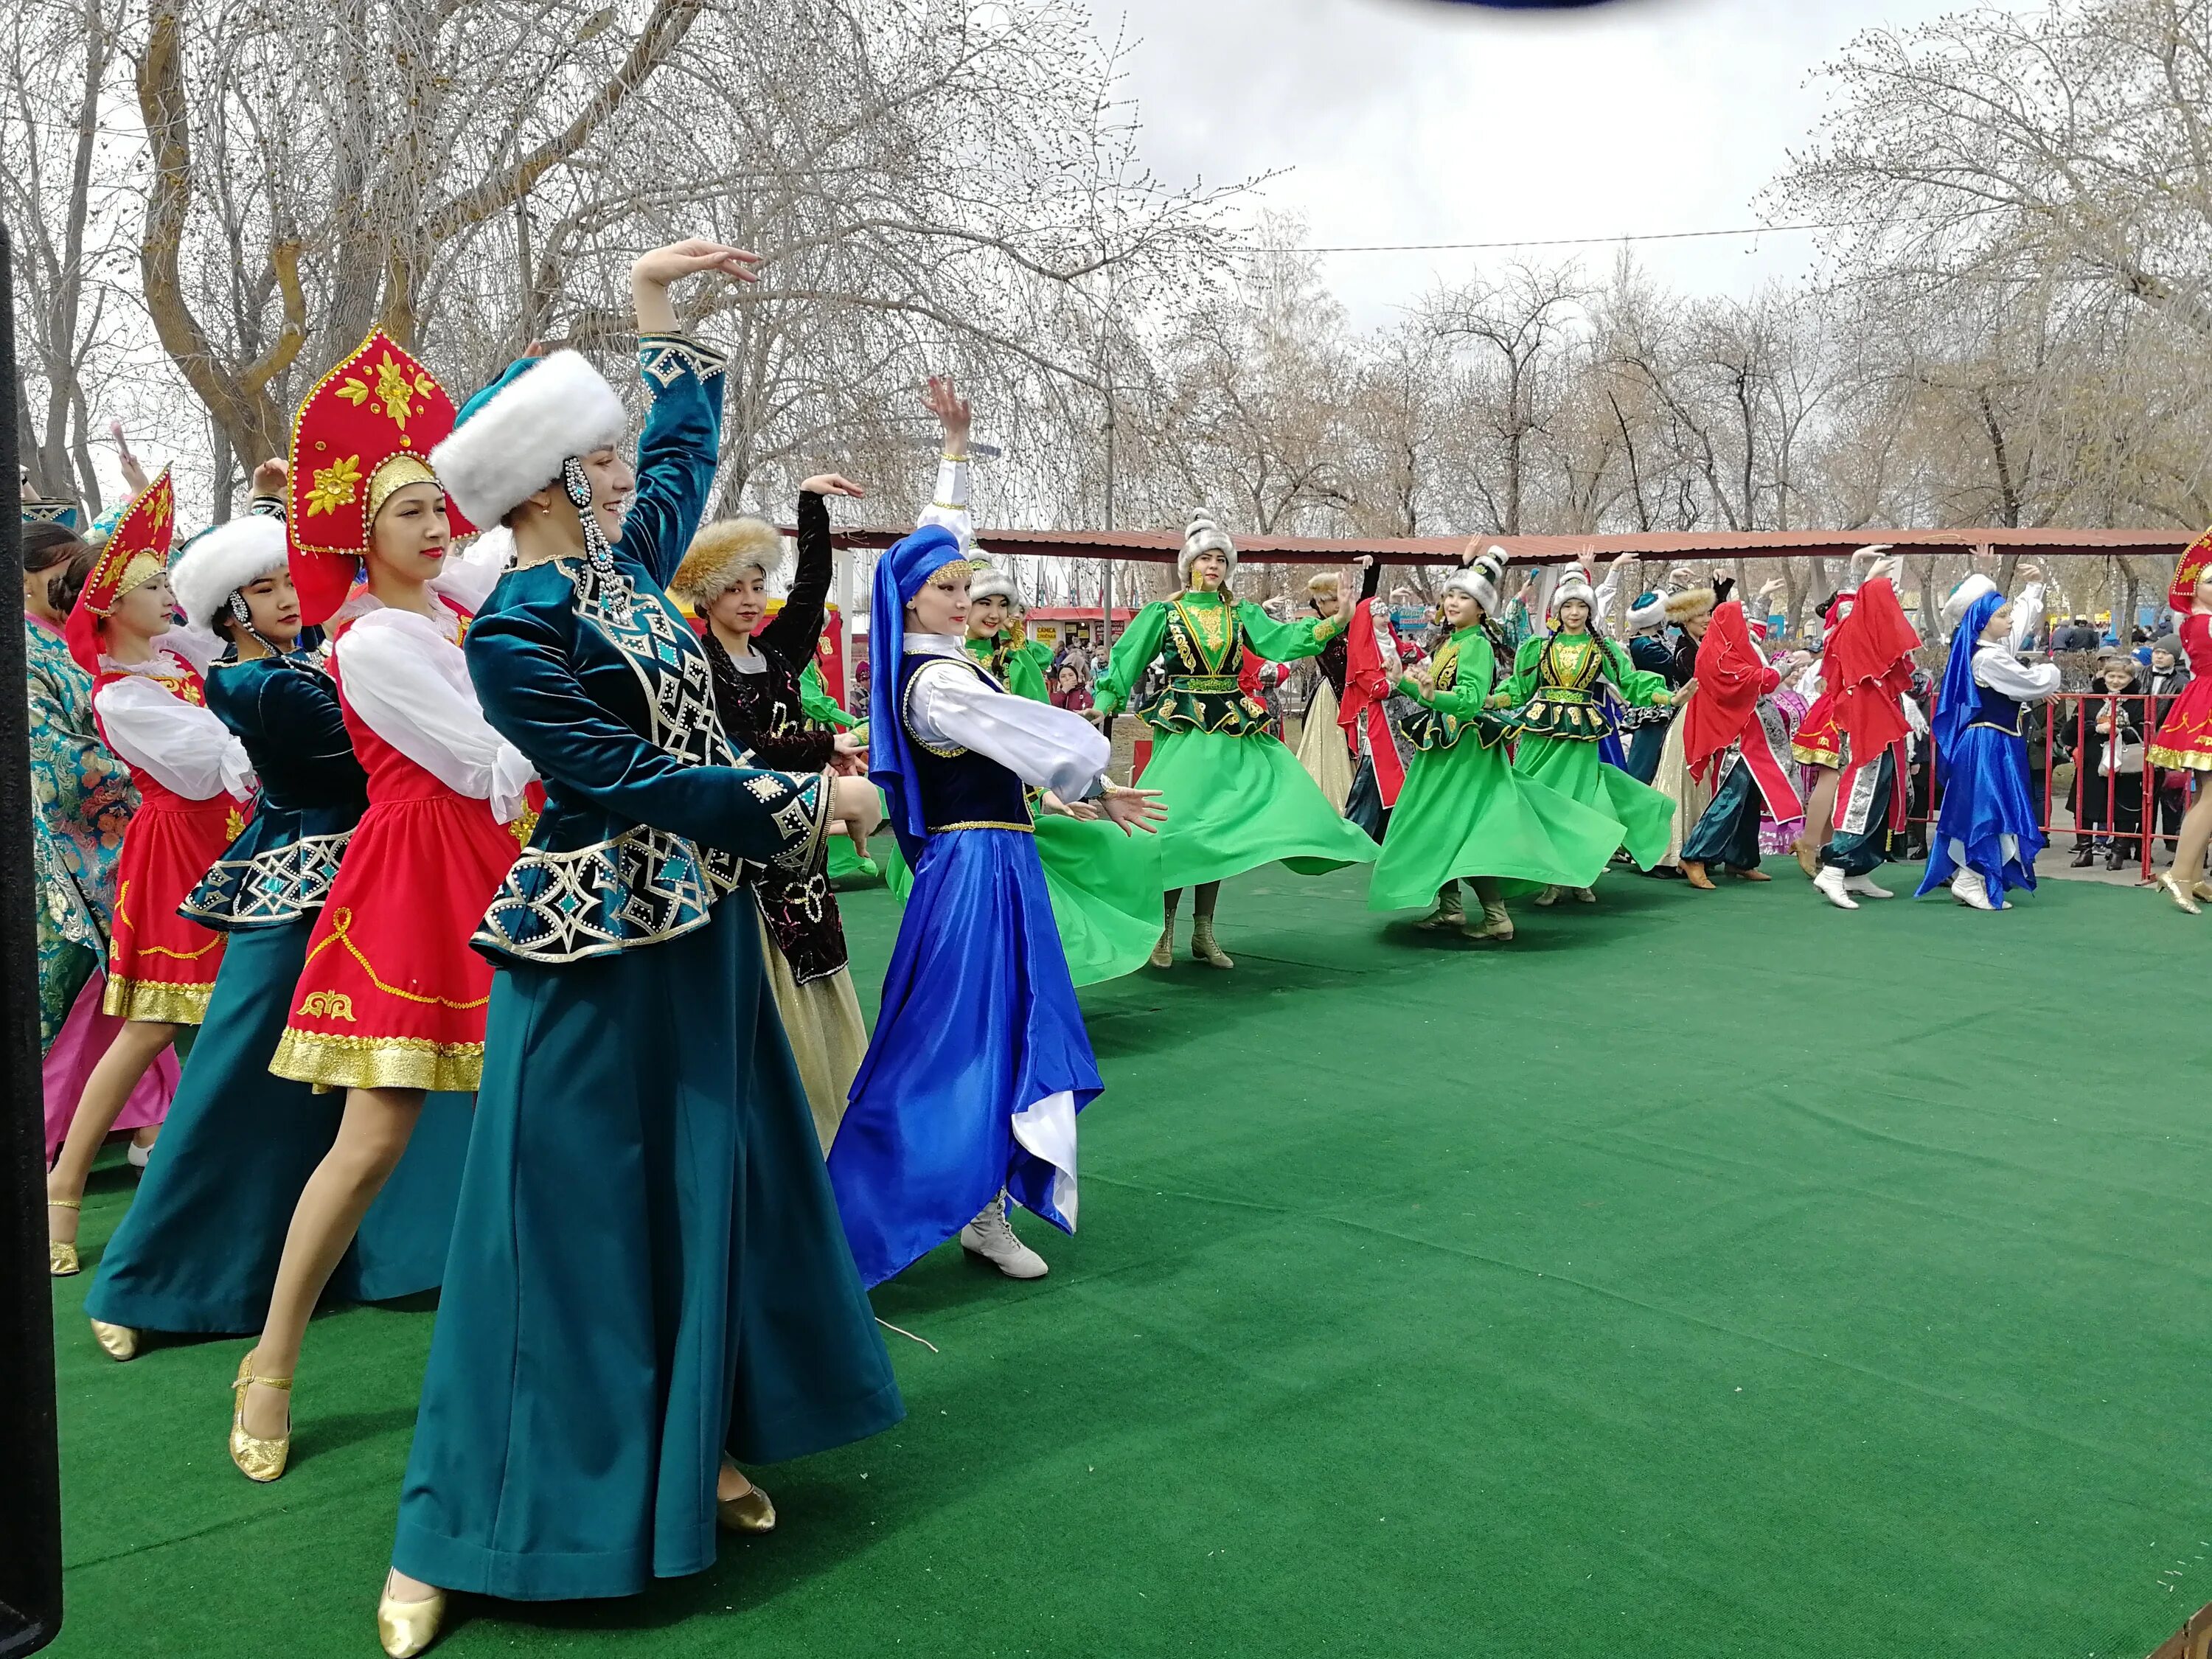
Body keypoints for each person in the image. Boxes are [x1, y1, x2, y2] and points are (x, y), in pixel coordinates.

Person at [380, 241, 901, 1655]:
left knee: (709, 1187)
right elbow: (617, 774)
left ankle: (704, 1442)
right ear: (550, 481)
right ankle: (461, 1521)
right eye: (597, 459)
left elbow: (686, 438)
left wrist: (654, 307)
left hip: (702, 934)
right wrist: (809, 796)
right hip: (589, 949)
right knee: (558, 1224)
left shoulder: (625, 572)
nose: (625, 472)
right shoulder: (515, 634)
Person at [229, 331, 528, 1486]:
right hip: (416, 882)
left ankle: (547, 1363)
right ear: (362, 534)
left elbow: (509, 550)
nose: (431, 525)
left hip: (495, 866)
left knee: (532, 1130)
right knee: (371, 1141)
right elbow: (479, 762)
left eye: (433, 508)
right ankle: (271, 1359)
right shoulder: (367, 642)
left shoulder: (448, 616)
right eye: (405, 512)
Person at [83, 493, 467, 1357]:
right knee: (235, 1076)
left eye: (290, 581)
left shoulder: (326, 659)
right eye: (262, 589)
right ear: (230, 611)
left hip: (370, 879)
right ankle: (153, 1278)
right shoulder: (249, 684)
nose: (287, 598)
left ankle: (380, 1255)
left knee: (387, 1077)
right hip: (293, 893)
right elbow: (365, 754)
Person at [829, 518, 1163, 1292]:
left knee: (1004, 1030)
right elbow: (1044, 740)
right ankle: (862, 1222)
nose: (961, 596)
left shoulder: (950, 667)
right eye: (943, 589)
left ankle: (985, 1207)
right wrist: (1096, 774)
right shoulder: (939, 683)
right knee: (956, 1043)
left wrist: (953, 456)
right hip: (976, 869)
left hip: (999, 862)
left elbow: (945, 539)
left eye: (963, 585)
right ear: (908, 603)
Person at [45, 472, 254, 1277]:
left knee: (250, 1011)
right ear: (108, 608)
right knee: (154, 1025)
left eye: (166, 579)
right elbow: (211, 768)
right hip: (180, 855)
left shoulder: (180, 656)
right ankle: (63, 1188)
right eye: (150, 584)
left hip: (235, 841)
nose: (168, 593)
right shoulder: (121, 698)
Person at [672, 483, 874, 1153]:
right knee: (766, 975)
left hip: (804, 839)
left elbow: (814, 582)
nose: (750, 599)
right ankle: (776, 1138)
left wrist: (811, 505)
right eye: (734, 588)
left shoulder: (781, 652)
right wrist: (826, 744)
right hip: (744, 845)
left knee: (819, 958)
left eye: (758, 584)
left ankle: (835, 1128)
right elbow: (744, 745)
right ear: (706, 598)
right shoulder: (699, 667)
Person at [1093, 514, 1377, 967]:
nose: (1213, 565)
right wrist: (1104, 701)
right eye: (1205, 557)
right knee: (1176, 826)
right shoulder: (1165, 613)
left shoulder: (1239, 613)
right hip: (1185, 729)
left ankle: (1204, 932)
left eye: (1221, 559)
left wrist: (1338, 619)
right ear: (1188, 564)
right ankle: (1163, 930)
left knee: (1221, 832)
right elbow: (1126, 658)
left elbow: (1281, 641)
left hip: (1231, 726)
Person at [21, 521, 175, 1162]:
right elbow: (46, 751)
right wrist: (142, 767)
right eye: (57, 566)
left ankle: (147, 1124)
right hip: (62, 847)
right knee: (89, 978)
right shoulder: (24, 648)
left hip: (116, 832)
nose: (69, 578)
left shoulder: (73, 639)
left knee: (137, 979)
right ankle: (58, 1137)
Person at [1367, 552, 1618, 937]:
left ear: (1482, 608)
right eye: (1450, 594)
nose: (1452, 602)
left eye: (1463, 597)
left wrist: (1432, 695)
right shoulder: (1452, 642)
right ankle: (1452, 909)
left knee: (1460, 827)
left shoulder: (1476, 646)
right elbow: (1434, 694)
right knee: (1436, 824)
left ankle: (1496, 915)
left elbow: (1468, 700)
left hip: (1464, 752)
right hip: (1443, 746)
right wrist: (1403, 680)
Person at [1487, 561, 1680, 903]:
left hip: (1579, 734)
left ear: (1589, 611)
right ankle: (1550, 878)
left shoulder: (1600, 648)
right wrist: (1493, 699)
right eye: (1568, 605)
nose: (1574, 612)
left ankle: (1579, 875)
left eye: (1581, 606)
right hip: (1540, 732)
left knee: (1578, 805)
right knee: (1538, 800)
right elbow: (1519, 688)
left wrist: (1668, 696)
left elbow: (1630, 682)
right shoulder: (1538, 647)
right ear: (1557, 610)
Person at [1913, 574, 2063, 910]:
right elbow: (2028, 682)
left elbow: (2019, 629)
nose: (2010, 620)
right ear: (1982, 621)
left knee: (1994, 809)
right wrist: (2048, 673)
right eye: (2001, 615)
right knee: (1988, 810)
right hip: (1988, 744)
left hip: (1994, 742)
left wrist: (2033, 588)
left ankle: (1975, 877)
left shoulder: (1987, 650)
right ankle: (1970, 878)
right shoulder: (1987, 658)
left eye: (2008, 614)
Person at [1807, 556, 1923, 911]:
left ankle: (1857, 869)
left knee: (1880, 795)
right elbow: (1847, 617)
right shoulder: (1855, 634)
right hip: (1863, 723)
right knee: (1861, 794)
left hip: (1882, 719)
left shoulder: (1872, 642)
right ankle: (1834, 867)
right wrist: (1863, 575)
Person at [1677, 588, 1801, 889]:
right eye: (1740, 624)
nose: (1746, 630)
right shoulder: (1717, 656)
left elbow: (1754, 638)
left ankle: (1740, 858)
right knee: (1731, 797)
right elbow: (1758, 678)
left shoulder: (1729, 646)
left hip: (1750, 736)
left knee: (1748, 799)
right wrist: (1786, 666)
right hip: (1735, 739)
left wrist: (1763, 598)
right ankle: (1694, 855)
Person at [2148, 542, 2212, 912]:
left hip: (2201, 699)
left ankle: (2192, 874)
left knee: (2207, 795)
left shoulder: (2193, 621)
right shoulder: (2205, 622)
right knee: (2210, 796)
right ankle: (2181, 873)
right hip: (2208, 703)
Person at [1293, 560, 1379, 811]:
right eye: (1335, 600)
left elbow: (1364, 604)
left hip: (1354, 699)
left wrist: (1372, 570)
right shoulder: (1318, 630)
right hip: (1332, 701)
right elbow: (1339, 668)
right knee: (1331, 759)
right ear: (1321, 603)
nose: (1341, 603)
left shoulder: (1347, 623)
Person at [2066, 654, 2149, 870]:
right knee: (2084, 806)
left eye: (2121, 677)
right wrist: (2095, 727)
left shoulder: (2139, 701)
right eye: (2112, 676)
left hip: (2124, 761)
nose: (2115, 681)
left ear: (2130, 678)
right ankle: (2085, 850)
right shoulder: (2091, 699)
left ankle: (2118, 853)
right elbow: (2073, 730)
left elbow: (2143, 731)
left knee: (2124, 807)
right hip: (2092, 760)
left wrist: (2121, 730)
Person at [2148, 633, 2194, 853]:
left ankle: (2172, 840)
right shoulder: (2143, 675)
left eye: (2164, 653)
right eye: (2157, 652)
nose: (2159, 657)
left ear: (2174, 657)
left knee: (2172, 796)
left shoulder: (2182, 683)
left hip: (2169, 741)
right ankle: (2140, 842)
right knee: (2146, 793)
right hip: (2144, 739)